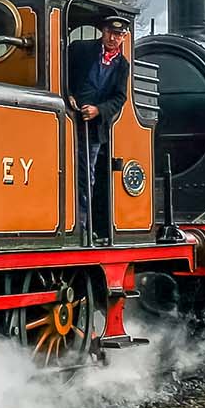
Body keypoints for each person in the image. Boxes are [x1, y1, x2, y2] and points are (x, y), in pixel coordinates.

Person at [68, 15, 132, 240]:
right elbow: (59, 67)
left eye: (118, 35)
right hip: (68, 116)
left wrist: (98, 110)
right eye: (110, 33)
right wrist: (68, 94)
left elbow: (119, 98)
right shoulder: (80, 49)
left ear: (124, 37)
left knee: (88, 175)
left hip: (94, 127)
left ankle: (83, 225)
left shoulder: (123, 65)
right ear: (102, 32)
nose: (113, 38)